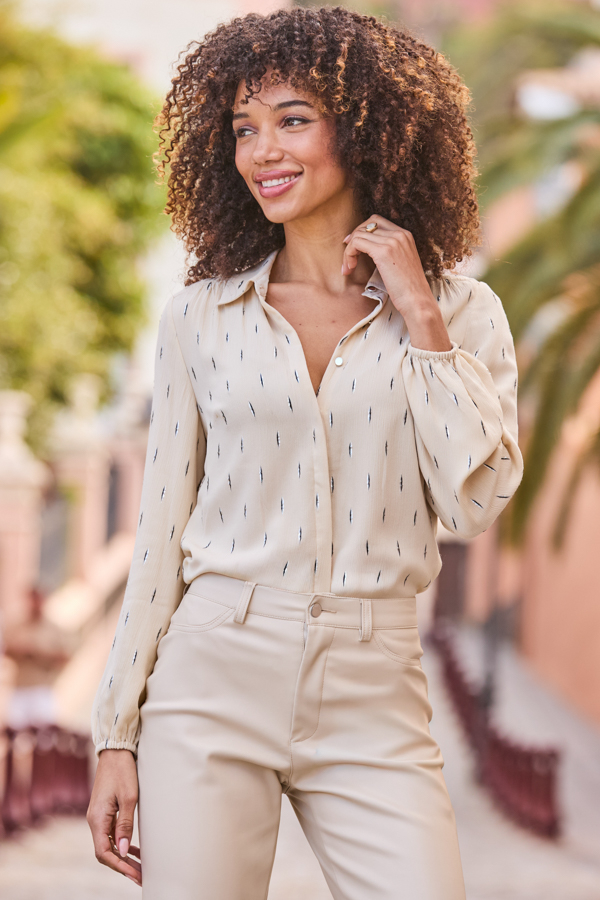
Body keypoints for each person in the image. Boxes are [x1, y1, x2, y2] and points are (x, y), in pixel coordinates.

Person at [86, 7, 524, 898]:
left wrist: (421, 317)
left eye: (292, 120)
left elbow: (475, 506)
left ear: (364, 128)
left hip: (376, 687)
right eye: (243, 128)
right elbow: (159, 531)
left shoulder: (462, 313)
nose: (262, 152)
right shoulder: (202, 317)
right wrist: (116, 733)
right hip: (213, 673)